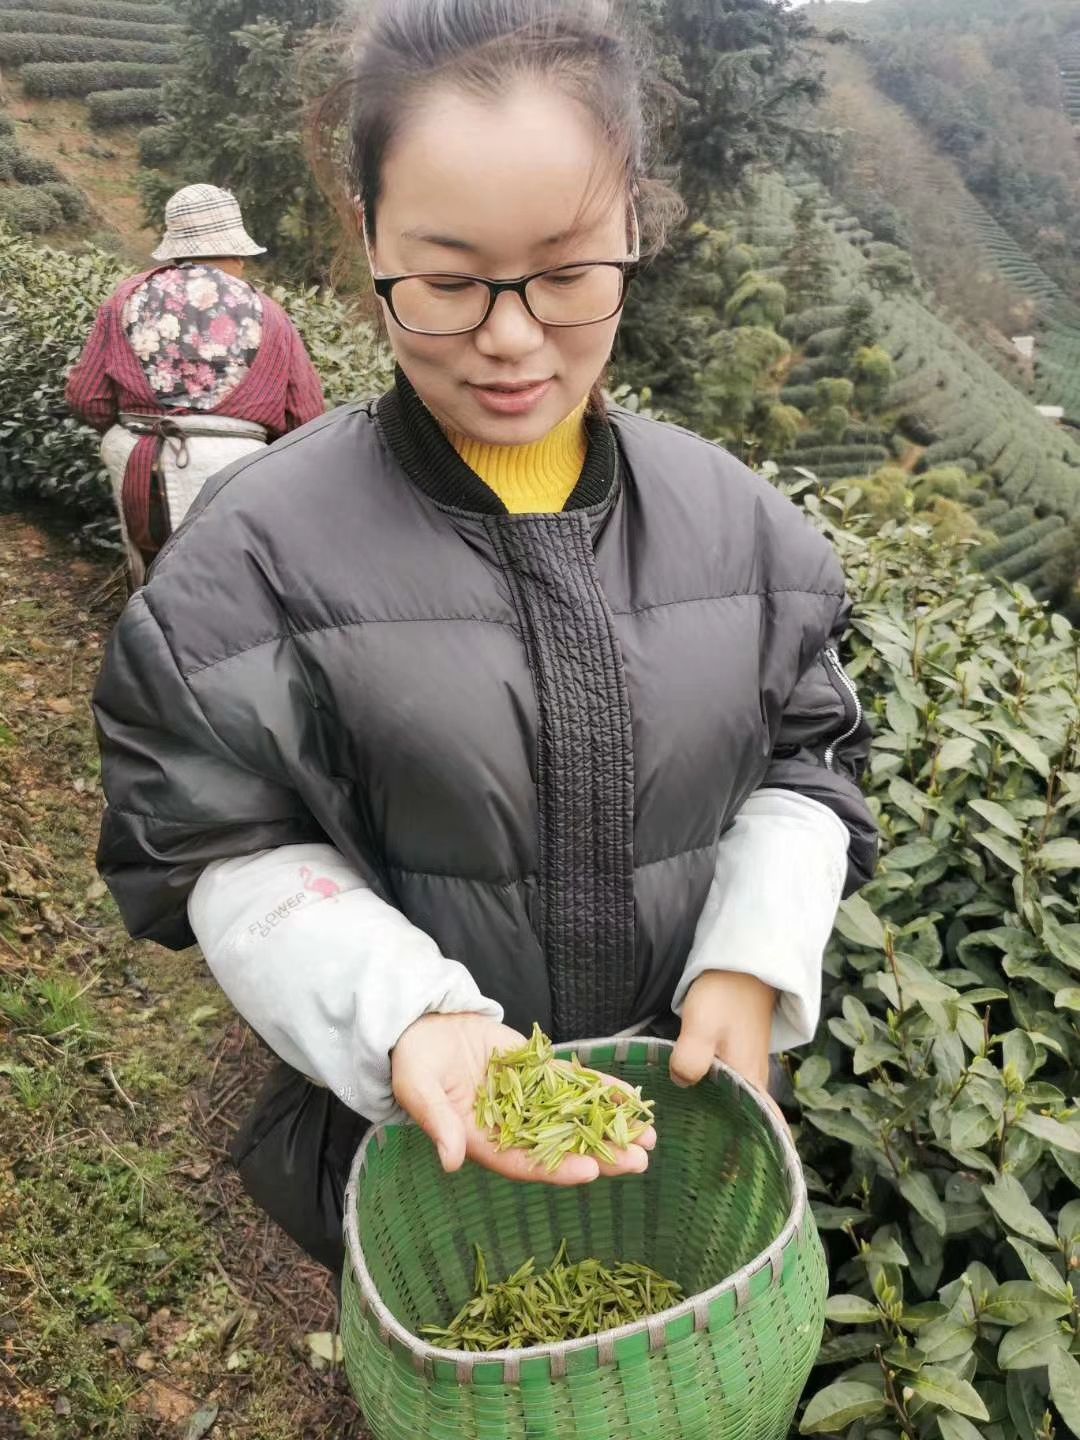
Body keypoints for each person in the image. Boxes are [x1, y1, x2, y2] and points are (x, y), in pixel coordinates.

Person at [92, 0, 877, 1276]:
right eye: (448, 282)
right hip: (406, 1147)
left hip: (666, 1136)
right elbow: (211, 836)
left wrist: (750, 961)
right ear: (366, 237)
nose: (511, 339)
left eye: (570, 273)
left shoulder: (749, 535)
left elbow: (811, 761)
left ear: (637, 228)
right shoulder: (252, 559)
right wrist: (407, 1019)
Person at [66, 184, 325, 587]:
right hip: (236, 466)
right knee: (225, 583)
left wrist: (135, 428)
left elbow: (88, 397)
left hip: (141, 456)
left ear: (175, 248)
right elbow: (305, 417)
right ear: (235, 252)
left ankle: (147, 638)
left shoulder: (127, 299)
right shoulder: (268, 313)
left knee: (151, 577)